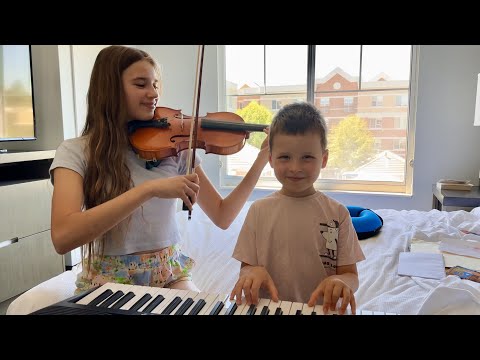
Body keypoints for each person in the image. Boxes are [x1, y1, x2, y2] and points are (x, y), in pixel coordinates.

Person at [49, 45, 269, 295]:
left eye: (155, 84)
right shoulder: (76, 152)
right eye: (141, 84)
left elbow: (223, 215)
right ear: (109, 88)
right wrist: (149, 189)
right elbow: (63, 236)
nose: (153, 93)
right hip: (108, 280)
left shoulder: (175, 148)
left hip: (168, 274)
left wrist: (261, 159)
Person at [229, 102, 365, 315]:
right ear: (271, 159)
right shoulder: (258, 211)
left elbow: (351, 275)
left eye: (307, 157)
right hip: (269, 309)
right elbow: (246, 268)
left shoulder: (338, 213)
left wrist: (340, 281)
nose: (295, 167)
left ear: (324, 159)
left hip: (322, 310)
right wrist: (252, 272)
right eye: (285, 157)